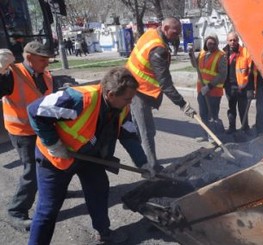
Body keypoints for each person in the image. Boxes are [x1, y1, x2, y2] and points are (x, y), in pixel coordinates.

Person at [27, 67, 146, 244]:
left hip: (90, 157)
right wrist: (53, 144)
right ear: (111, 94)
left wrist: (143, 164)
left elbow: (128, 135)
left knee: (99, 192)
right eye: (127, 98)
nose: (130, 102)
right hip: (57, 159)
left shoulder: (122, 107)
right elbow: (35, 110)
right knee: (48, 209)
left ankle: (104, 233)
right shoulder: (79, 99)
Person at [126, 16, 196, 177]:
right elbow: (165, 84)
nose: (177, 35)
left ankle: (142, 161)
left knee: (140, 129)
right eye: (175, 32)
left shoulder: (151, 32)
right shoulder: (158, 49)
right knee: (147, 131)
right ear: (165, 28)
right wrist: (183, 104)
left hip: (134, 84)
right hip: (139, 91)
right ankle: (152, 168)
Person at [0, 41, 55, 231]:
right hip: (21, 131)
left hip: (40, 129)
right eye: (42, 60)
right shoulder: (11, 74)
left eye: (47, 59)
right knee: (31, 171)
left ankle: (50, 191)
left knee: (50, 164)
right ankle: (16, 211)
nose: (46, 63)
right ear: (29, 58)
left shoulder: (45, 75)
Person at [188, 33, 227, 143]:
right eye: (209, 43)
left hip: (214, 92)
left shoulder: (221, 55)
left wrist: (209, 86)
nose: (211, 45)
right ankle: (205, 134)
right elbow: (195, 65)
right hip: (201, 90)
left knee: (212, 114)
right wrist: (191, 55)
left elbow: (222, 74)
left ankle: (213, 136)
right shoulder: (202, 53)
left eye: (214, 43)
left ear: (217, 43)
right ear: (206, 43)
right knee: (203, 113)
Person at [223, 32, 254, 134]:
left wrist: (250, 88)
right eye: (230, 40)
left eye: (235, 40)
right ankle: (232, 128)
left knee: (243, 109)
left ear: (238, 40)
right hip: (229, 87)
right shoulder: (223, 53)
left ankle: (245, 128)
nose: (233, 42)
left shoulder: (245, 52)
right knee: (231, 109)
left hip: (242, 87)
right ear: (227, 41)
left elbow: (251, 72)